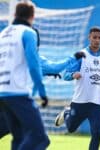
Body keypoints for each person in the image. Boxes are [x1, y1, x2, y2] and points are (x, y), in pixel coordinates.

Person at [0, 26, 85, 139]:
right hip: (17, 102)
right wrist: (73, 57)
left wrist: (45, 72)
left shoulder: (9, 57)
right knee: (38, 138)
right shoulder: (37, 60)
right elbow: (55, 68)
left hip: (5, 98)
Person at [54, 26, 100, 150]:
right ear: (89, 38)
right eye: (94, 37)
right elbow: (65, 74)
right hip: (81, 101)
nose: (97, 40)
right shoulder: (81, 55)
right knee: (71, 129)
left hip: (99, 102)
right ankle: (67, 113)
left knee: (97, 132)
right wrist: (73, 75)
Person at [0, 1, 50, 149]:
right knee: (40, 138)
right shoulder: (28, 33)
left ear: (14, 14)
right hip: (17, 92)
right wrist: (41, 91)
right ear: (32, 17)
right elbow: (34, 65)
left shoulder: (2, 34)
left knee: (19, 137)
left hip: (2, 93)